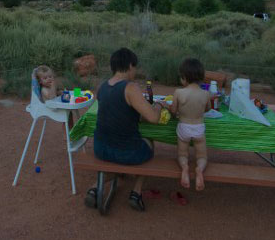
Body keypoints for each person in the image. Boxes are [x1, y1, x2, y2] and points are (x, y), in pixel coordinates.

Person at [86, 47, 165, 212]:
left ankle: (95, 188)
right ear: (130, 65)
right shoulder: (130, 88)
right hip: (127, 153)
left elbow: (117, 110)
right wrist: (158, 105)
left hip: (100, 149)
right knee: (149, 144)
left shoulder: (101, 87)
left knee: (116, 156)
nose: (135, 71)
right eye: (134, 67)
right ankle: (136, 191)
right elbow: (153, 118)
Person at [169, 58, 211, 191]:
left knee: (182, 154)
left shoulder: (179, 92)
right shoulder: (205, 94)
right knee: (202, 156)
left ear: (184, 78)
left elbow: (173, 111)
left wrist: (172, 109)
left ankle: (185, 167)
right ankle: (199, 169)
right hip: (198, 128)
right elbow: (208, 109)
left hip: (184, 127)